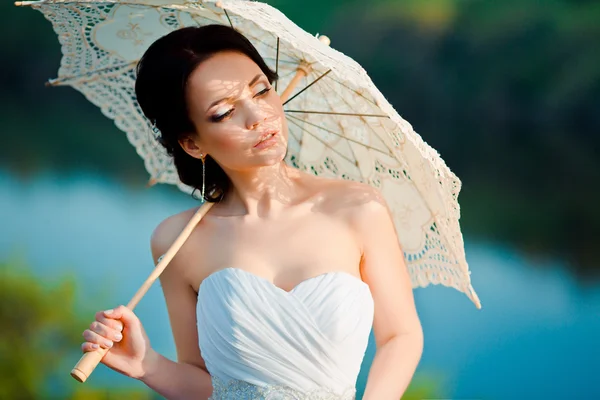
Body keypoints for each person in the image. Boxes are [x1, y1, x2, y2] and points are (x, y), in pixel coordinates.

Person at [81, 24, 423, 400]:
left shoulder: (358, 208)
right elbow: (207, 385)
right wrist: (146, 365)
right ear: (192, 143)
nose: (258, 116)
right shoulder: (177, 241)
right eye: (225, 112)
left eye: (261, 90)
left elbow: (399, 336)